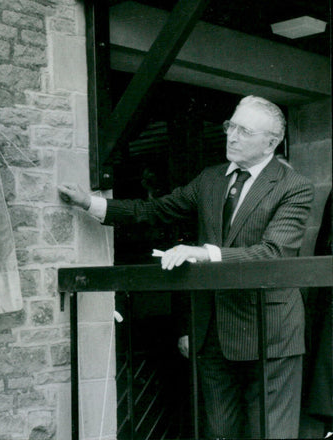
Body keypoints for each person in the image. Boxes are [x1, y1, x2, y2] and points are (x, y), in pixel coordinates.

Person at [58, 95, 313, 438]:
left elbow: (273, 253)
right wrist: (91, 203)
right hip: (213, 334)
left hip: (271, 333)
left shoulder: (293, 187)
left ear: (272, 142)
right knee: (218, 432)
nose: (232, 136)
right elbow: (156, 210)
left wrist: (205, 253)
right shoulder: (210, 179)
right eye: (230, 126)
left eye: (244, 131)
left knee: (271, 433)